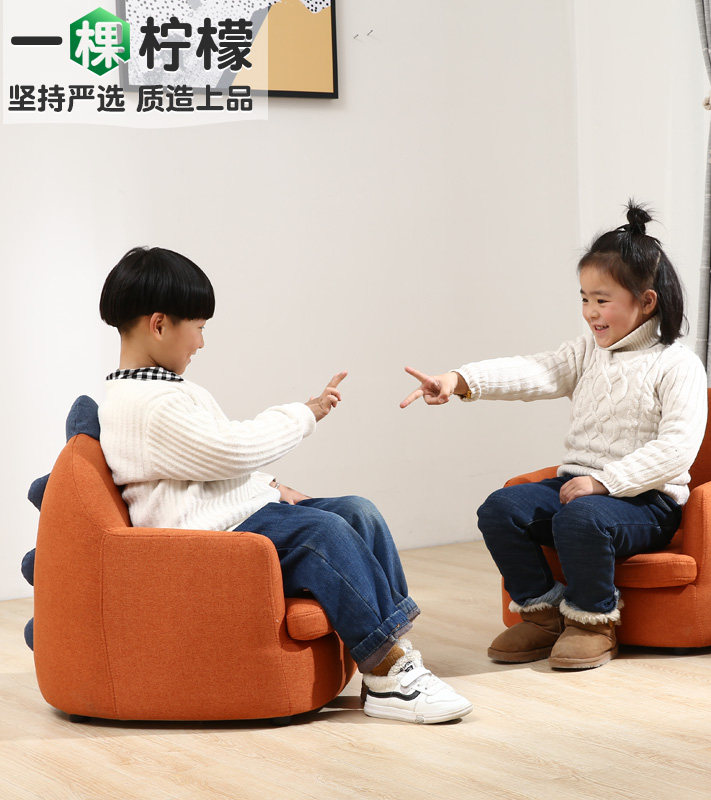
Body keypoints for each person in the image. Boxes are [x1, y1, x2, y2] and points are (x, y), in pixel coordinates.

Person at [97, 246, 472, 723]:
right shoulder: (144, 404)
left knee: (357, 511)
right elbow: (228, 450)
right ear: (158, 325)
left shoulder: (162, 391)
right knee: (324, 535)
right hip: (208, 540)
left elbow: (199, 459)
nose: (202, 343)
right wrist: (304, 414)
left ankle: (391, 654)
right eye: (200, 327)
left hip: (232, 518)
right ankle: (390, 676)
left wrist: (269, 486)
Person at [401, 202, 707, 670]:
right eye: (584, 299)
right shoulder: (588, 353)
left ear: (646, 302)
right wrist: (458, 380)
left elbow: (677, 449)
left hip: (646, 501)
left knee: (582, 517)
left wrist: (603, 483)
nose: (590, 313)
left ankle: (593, 622)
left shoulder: (677, 364)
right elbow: (534, 371)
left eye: (602, 300)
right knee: (501, 509)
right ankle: (543, 615)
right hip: (579, 488)